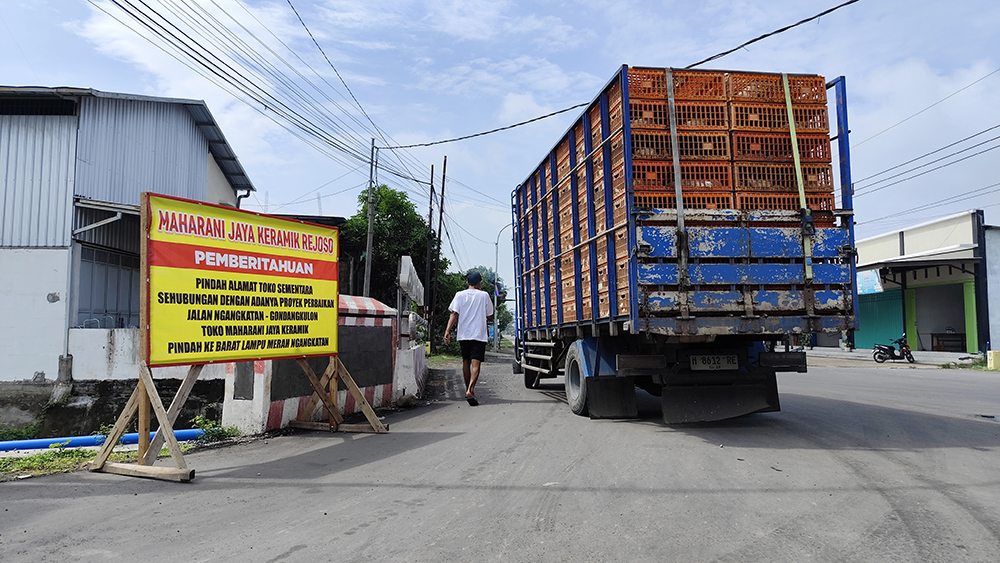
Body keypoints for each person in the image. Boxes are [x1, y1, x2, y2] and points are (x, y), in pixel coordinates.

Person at [444, 270, 494, 406]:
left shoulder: (459, 295)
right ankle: (470, 390)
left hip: (464, 334)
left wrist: (447, 331)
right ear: (479, 283)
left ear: (468, 282)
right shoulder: (484, 295)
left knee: (466, 362)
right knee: (476, 363)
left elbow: (454, 313)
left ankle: (468, 390)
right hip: (478, 334)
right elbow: (490, 314)